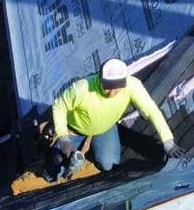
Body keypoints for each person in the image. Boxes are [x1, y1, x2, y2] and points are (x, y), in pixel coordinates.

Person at [45, 58, 179, 181]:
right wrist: (63, 138)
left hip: (105, 127)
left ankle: (92, 149)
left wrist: (168, 142)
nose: (111, 93)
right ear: (99, 79)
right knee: (56, 164)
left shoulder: (132, 86)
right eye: (107, 87)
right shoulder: (83, 88)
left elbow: (152, 111)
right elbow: (59, 106)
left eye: (117, 89)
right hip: (75, 129)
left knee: (108, 164)